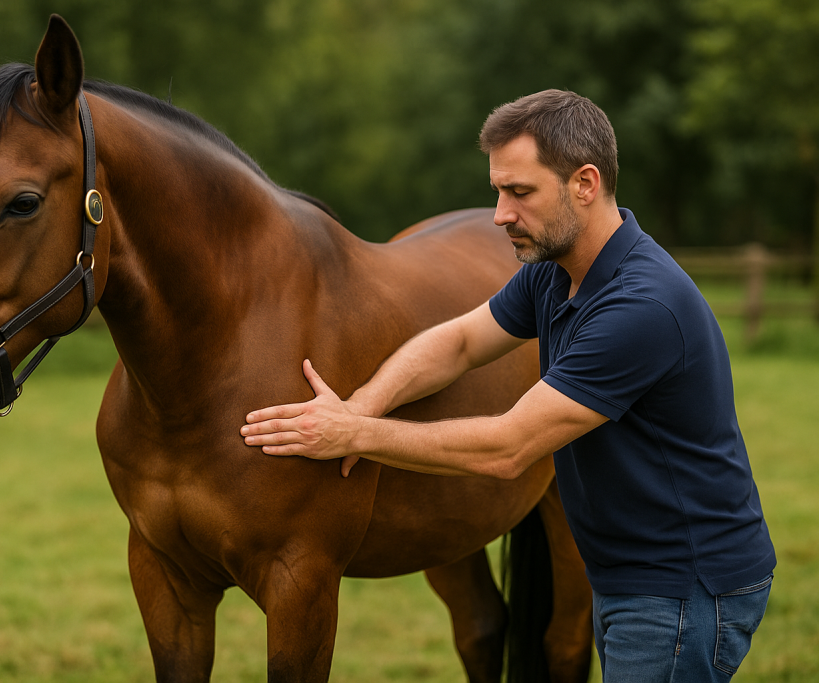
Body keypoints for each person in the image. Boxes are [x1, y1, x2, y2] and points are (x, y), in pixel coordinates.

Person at [240, 89, 776, 682]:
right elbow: (461, 341)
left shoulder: (640, 307)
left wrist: (355, 434)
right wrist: (365, 399)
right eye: (497, 191)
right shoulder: (557, 272)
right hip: (631, 576)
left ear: (585, 184)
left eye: (520, 192)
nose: (500, 213)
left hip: (683, 588)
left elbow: (508, 447)